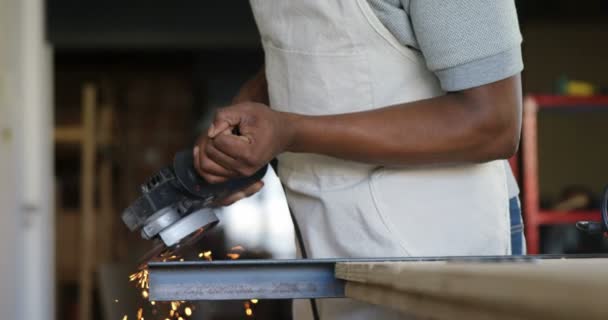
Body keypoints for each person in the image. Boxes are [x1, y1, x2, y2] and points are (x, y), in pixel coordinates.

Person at [194, 1, 525, 319]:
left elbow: (493, 123)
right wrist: (244, 125)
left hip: (439, 245)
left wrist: (290, 132)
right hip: (323, 253)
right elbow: (315, 48)